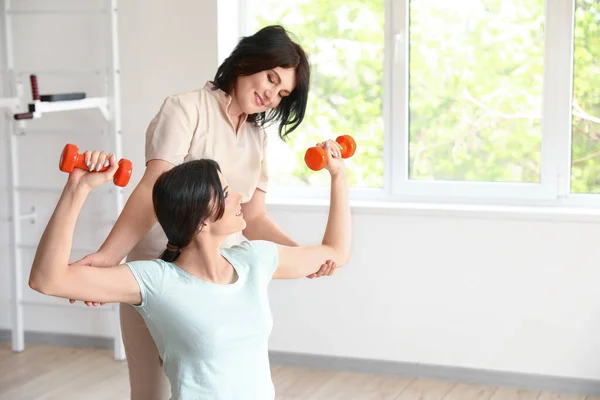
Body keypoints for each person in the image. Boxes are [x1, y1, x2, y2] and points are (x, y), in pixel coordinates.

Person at [68, 25, 340, 399]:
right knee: (151, 392)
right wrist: (107, 258)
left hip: (222, 285)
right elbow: (151, 188)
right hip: (161, 273)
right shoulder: (185, 108)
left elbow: (255, 218)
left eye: (282, 94)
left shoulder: (257, 138)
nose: (271, 95)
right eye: (270, 79)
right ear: (247, 62)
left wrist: (306, 258)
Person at [29, 142, 351, 400]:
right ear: (200, 221)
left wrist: (339, 177)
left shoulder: (255, 259)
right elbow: (48, 279)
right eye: (225, 192)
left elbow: (336, 252)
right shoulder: (156, 281)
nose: (240, 196)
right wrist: (78, 187)